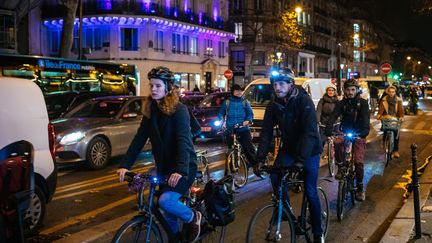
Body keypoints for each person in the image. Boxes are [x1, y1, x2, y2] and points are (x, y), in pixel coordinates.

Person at [117, 66, 201, 242]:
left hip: (183, 166)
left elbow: (183, 141)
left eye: (158, 86)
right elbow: (139, 139)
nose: (153, 89)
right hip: (164, 167)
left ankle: (192, 217)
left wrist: (180, 170)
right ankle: (175, 238)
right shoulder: (151, 110)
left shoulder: (180, 110)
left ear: (168, 88)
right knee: (156, 204)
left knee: (166, 201)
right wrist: (125, 165)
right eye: (151, 85)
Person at [256, 68, 324, 243]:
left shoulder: (304, 101)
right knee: (275, 178)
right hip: (289, 148)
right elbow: (266, 133)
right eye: (274, 84)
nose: (277, 87)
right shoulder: (273, 105)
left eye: (281, 84)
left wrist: (301, 161)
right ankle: (284, 210)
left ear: (290, 84)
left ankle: (318, 232)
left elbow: (310, 133)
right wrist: (260, 158)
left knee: (310, 190)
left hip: (309, 151)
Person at [325, 79, 370, 201]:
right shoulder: (341, 103)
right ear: (344, 91)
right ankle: (341, 166)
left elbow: (366, 119)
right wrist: (328, 128)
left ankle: (360, 188)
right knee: (337, 142)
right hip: (345, 131)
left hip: (359, 133)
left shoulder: (363, 103)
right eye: (348, 90)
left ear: (356, 90)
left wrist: (364, 132)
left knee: (358, 161)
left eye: (352, 90)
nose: (350, 92)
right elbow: (333, 116)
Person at [218, 84, 261, 177]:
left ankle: (256, 165)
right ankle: (231, 166)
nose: (239, 93)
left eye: (240, 91)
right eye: (237, 91)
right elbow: (221, 113)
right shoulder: (227, 102)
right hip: (230, 128)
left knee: (248, 147)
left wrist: (247, 121)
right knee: (230, 148)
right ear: (232, 92)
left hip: (243, 128)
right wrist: (221, 122)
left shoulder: (245, 102)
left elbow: (250, 114)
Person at [376, 86, 404, 158]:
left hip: (395, 118)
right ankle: (384, 141)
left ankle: (395, 151)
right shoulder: (384, 99)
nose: (391, 93)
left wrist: (401, 117)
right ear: (387, 92)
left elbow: (401, 109)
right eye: (390, 92)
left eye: (393, 92)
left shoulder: (398, 100)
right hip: (386, 117)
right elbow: (381, 109)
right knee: (385, 129)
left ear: (395, 92)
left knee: (396, 133)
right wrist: (379, 115)